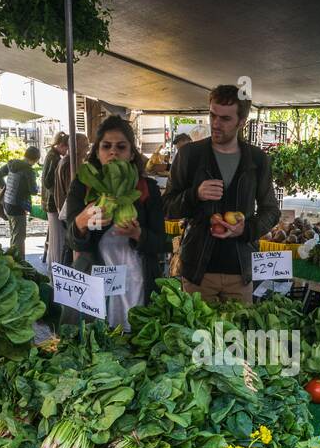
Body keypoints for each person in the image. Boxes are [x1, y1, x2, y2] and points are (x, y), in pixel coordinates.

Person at [164, 85, 280, 304]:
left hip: (241, 273)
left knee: (235, 337)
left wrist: (246, 229)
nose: (216, 124)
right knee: (197, 336)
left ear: (241, 122)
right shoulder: (190, 155)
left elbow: (271, 210)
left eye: (225, 119)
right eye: (212, 115)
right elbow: (166, 207)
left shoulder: (256, 159)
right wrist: (194, 195)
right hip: (197, 271)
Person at [62, 116, 168, 330]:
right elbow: (72, 242)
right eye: (106, 146)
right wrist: (81, 223)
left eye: (121, 146)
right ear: (97, 152)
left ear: (131, 153)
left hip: (137, 281)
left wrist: (139, 235)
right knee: (97, 343)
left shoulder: (148, 188)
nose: (113, 152)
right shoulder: (83, 186)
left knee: (135, 340)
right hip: (94, 280)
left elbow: (162, 243)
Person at [0, 146, 41, 261]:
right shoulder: (29, 171)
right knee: (19, 238)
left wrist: (5, 187)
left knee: (14, 235)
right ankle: (18, 265)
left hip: (7, 203)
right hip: (19, 206)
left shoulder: (12, 164)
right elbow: (34, 191)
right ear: (35, 159)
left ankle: (13, 261)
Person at [52, 133, 90, 269]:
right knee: (70, 245)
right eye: (85, 146)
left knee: (69, 244)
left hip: (64, 209)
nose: (87, 149)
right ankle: (67, 272)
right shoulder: (71, 163)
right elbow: (73, 191)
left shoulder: (67, 161)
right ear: (77, 147)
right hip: (69, 211)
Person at [41, 132, 68, 265]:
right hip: (53, 203)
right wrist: (58, 196)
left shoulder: (52, 155)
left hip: (50, 202)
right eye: (67, 148)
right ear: (62, 145)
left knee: (55, 239)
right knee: (57, 240)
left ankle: (54, 268)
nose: (67, 151)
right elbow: (48, 182)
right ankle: (56, 269)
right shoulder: (54, 158)